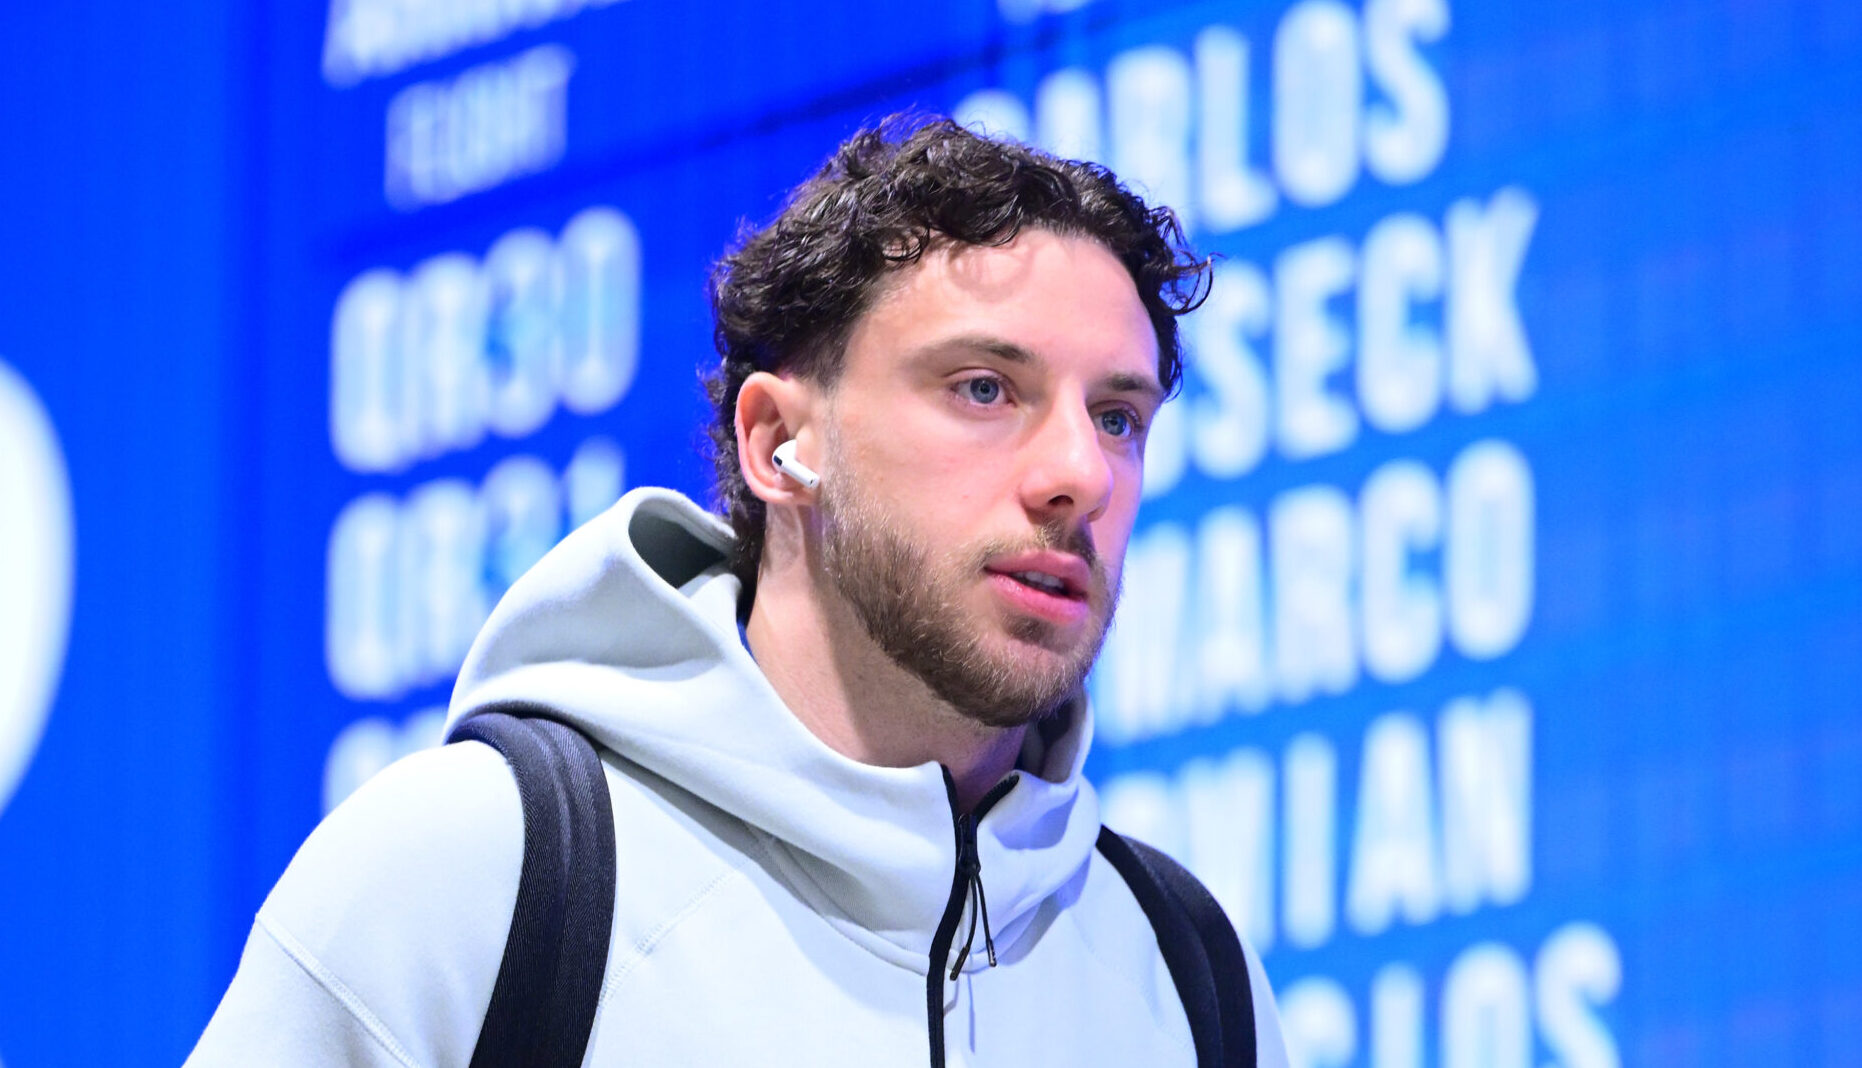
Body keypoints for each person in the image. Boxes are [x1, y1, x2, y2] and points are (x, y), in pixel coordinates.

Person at [188, 115, 1289, 1067]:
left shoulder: (1188, 977)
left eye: (1117, 418)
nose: (1080, 475)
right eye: (984, 388)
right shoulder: (468, 871)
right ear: (777, 444)